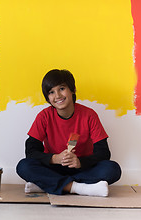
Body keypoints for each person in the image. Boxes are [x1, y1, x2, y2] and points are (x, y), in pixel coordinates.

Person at [16, 69, 121, 197]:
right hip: (54, 167)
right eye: (51, 92)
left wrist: (79, 162)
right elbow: (31, 152)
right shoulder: (44, 116)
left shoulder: (89, 115)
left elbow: (103, 153)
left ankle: (46, 184)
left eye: (61, 89)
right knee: (23, 166)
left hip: (82, 168)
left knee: (112, 169)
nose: (58, 96)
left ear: (72, 90)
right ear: (48, 98)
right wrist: (55, 158)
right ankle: (79, 188)